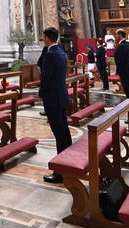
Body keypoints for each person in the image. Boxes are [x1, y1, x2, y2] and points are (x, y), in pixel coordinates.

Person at [39, 26, 72, 183]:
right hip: (62, 96)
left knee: (59, 134)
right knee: (64, 132)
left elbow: (46, 78)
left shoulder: (51, 54)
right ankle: (68, 163)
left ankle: (59, 172)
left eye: (44, 37)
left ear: (47, 38)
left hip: (53, 98)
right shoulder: (61, 52)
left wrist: (41, 93)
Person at [115, 30, 129, 100]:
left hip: (124, 71)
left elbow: (120, 60)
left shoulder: (122, 46)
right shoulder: (127, 44)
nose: (116, 36)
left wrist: (117, 71)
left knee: (128, 89)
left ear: (120, 35)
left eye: (116, 35)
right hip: (128, 70)